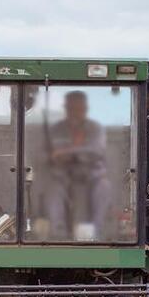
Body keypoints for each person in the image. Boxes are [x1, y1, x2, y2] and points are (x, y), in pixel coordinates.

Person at [41, 90, 110, 239]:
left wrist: (68, 152)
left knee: (104, 187)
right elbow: (48, 154)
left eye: (79, 109)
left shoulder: (95, 129)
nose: (75, 113)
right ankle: (57, 235)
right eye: (71, 109)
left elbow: (96, 151)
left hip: (91, 175)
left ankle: (96, 234)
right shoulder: (56, 129)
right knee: (52, 189)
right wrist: (58, 156)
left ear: (85, 109)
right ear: (66, 109)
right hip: (62, 175)